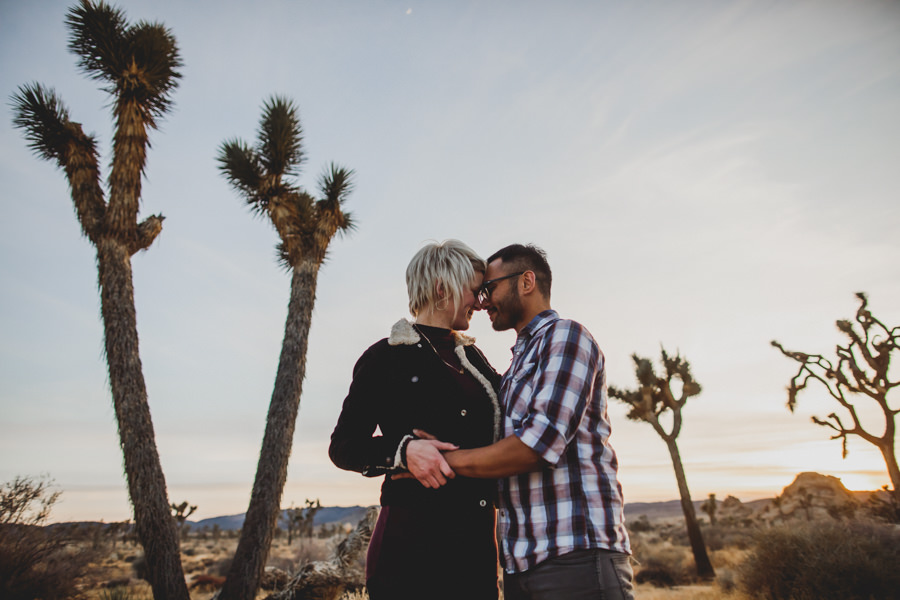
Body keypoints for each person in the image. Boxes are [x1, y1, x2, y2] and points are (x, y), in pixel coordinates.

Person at [412, 243, 633, 600]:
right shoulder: (517, 364)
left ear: (526, 281)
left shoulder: (566, 337)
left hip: (574, 557)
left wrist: (437, 461)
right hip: (522, 564)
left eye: (490, 288)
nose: (482, 301)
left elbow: (538, 445)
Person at [328, 239, 502, 600]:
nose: (480, 302)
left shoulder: (476, 361)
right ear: (442, 288)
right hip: (410, 549)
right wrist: (403, 451)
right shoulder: (383, 358)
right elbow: (343, 447)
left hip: (476, 548)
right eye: (473, 291)